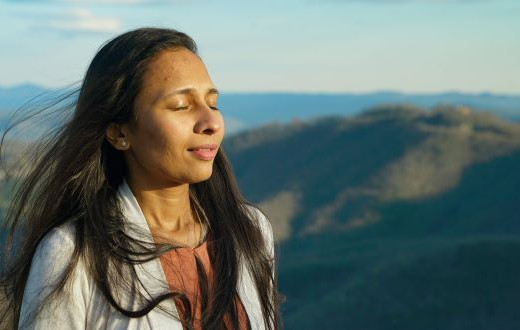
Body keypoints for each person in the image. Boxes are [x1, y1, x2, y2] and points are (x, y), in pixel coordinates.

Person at [0, 27, 283, 329]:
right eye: (181, 106)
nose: (211, 121)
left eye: (212, 103)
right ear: (120, 132)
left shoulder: (249, 230)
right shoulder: (72, 254)